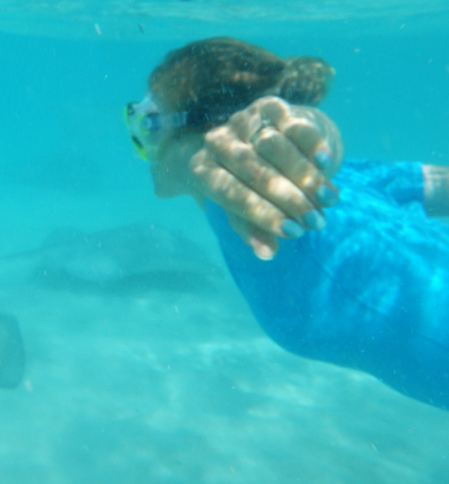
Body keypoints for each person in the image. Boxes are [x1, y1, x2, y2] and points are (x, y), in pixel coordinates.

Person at [127, 37, 449, 411]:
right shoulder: (339, 179)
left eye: (148, 125)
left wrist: (305, 125)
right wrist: (311, 129)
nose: (139, 141)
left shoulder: (242, 205)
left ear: (210, 130)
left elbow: (278, 136)